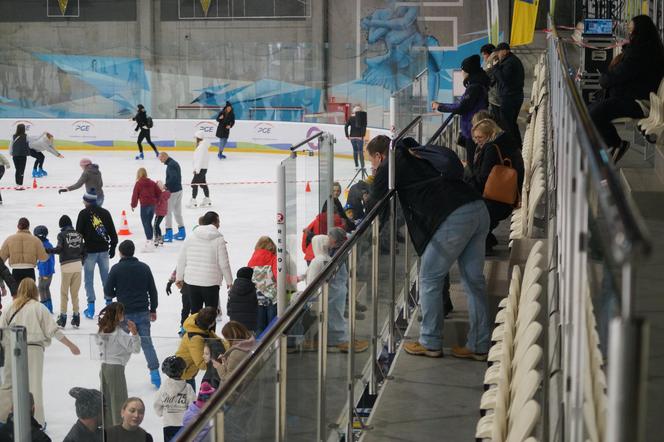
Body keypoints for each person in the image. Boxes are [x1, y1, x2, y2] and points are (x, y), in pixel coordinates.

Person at [367, 134, 491, 360]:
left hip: (454, 217)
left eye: (372, 162)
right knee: (474, 282)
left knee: (429, 278)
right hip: (477, 207)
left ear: (378, 155)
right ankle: (479, 344)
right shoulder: (416, 152)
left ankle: (430, 341)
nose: (373, 166)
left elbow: (374, 203)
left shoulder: (390, 165)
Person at [0, 279, 81, 426]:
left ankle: (4, 419)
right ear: (35, 290)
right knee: (34, 386)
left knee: (8, 384)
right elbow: (53, 330)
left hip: (12, 349)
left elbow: (1, 329)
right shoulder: (39, 307)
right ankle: (36, 421)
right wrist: (70, 345)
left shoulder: (9, 307)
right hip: (34, 349)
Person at [590, 15, 664, 162]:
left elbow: (617, 76)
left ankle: (616, 144)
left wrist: (603, 79)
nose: (629, 35)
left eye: (632, 31)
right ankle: (610, 149)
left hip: (638, 102)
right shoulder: (647, 49)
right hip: (630, 97)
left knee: (594, 113)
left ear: (640, 32)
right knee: (592, 111)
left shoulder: (640, 53)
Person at [104, 240, 161, 388]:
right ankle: (155, 374)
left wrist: (119, 292)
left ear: (120, 253)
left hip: (123, 314)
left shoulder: (116, 269)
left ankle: (116, 371)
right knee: (147, 344)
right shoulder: (144, 268)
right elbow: (152, 290)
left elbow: (108, 292)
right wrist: (153, 309)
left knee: (118, 344)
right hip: (142, 312)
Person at [469, 115, 525, 253]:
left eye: (479, 138)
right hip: (507, 198)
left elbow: (483, 178)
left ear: (490, 134)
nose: (477, 142)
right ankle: (487, 238)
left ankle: (484, 243)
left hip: (495, 201)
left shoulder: (491, 149)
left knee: (468, 210)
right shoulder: (505, 142)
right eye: (475, 138)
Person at [432, 54, 490, 162]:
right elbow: (462, 104)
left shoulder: (474, 87)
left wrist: (440, 107)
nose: (462, 72)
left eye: (463, 70)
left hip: (473, 130)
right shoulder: (477, 84)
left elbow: (462, 107)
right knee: (474, 160)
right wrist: (441, 105)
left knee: (473, 162)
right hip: (473, 129)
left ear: (469, 71)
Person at [176, 211, 233, 313]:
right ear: (213, 222)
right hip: (211, 282)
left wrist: (179, 278)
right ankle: (209, 329)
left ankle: (195, 329)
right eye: (218, 221)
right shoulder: (218, 238)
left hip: (192, 281)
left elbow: (182, 259)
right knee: (211, 314)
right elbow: (224, 263)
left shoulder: (191, 236)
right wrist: (229, 281)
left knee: (195, 314)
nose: (219, 224)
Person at [95, 302, 141, 426]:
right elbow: (136, 349)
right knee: (119, 402)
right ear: (118, 314)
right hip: (115, 369)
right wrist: (134, 333)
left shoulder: (101, 330)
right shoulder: (119, 333)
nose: (123, 315)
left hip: (104, 368)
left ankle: (109, 431)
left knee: (107, 402)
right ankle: (119, 432)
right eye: (122, 312)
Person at [75, 188, 117, 319]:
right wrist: (113, 247)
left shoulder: (83, 214)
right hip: (104, 250)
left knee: (89, 280)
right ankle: (109, 304)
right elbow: (113, 232)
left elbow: (78, 235)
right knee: (106, 278)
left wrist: (80, 252)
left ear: (87, 201)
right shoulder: (105, 213)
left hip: (90, 253)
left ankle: (91, 307)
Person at [327, 227, 369, 352]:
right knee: (337, 314)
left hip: (336, 289)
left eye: (329, 237)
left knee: (336, 314)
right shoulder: (341, 250)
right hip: (338, 289)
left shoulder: (337, 253)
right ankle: (341, 337)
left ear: (334, 239)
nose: (327, 239)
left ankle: (339, 339)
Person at [48, 215, 85, 329]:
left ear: (61, 225)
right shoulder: (79, 235)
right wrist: (80, 262)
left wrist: (48, 250)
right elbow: (84, 252)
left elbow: (59, 249)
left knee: (64, 293)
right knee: (75, 293)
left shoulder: (62, 235)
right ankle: (76, 317)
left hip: (66, 266)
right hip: (78, 266)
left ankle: (63, 318)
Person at [175, 307, 222, 389]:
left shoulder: (198, 327)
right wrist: (218, 362)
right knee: (190, 400)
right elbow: (201, 364)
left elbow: (217, 340)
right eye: (214, 320)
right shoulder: (196, 338)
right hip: (184, 375)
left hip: (187, 373)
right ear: (210, 323)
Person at [489, 42, 525, 145]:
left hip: (510, 97)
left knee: (507, 125)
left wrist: (495, 67)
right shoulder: (509, 61)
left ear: (505, 51)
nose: (497, 55)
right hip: (512, 96)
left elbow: (503, 80)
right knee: (511, 124)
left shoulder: (509, 63)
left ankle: (513, 147)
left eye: (498, 52)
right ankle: (517, 145)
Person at [153, 356, 196, 442]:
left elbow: (156, 404)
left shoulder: (163, 388)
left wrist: (163, 413)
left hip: (168, 424)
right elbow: (193, 406)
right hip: (184, 424)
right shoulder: (188, 388)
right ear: (183, 371)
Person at [0, 217, 48, 286]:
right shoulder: (35, 240)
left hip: (16, 271)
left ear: (18, 226)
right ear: (28, 227)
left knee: (17, 294)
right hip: (29, 270)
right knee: (30, 295)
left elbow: (1, 258)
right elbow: (43, 258)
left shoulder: (9, 239)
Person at [247, 236, 277, 334]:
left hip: (257, 298)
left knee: (259, 327)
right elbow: (277, 276)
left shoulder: (252, 259)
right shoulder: (273, 258)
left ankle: (259, 347)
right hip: (272, 298)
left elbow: (248, 278)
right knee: (272, 327)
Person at [130, 167, 162, 251]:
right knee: (148, 222)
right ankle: (151, 240)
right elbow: (159, 193)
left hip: (145, 206)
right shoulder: (152, 182)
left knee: (146, 223)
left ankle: (149, 241)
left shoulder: (138, 183)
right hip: (152, 205)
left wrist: (133, 205)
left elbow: (135, 195)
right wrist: (156, 201)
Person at [158, 152, 185, 242]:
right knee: (177, 212)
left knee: (168, 212)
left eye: (161, 159)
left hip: (173, 192)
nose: (160, 161)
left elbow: (173, 178)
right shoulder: (174, 163)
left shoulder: (170, 165)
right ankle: (182, 232)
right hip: (179, 190)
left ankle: (168, 234)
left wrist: (165, 185)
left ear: (165, 157)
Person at [227, 267, 258, 332]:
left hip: (235, 326)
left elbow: (228, 309)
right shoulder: (255, 290)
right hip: (251, 326)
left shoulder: (232, 291)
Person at [33, 225, 55, 313]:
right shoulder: (49, 244)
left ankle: (44, 308)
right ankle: (49, 307)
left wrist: (44, 274)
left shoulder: (43, 246)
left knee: (41, 289)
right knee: (46, 288)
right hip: (49, 272)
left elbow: (45, 261)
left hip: (45, 272)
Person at [480, 43, 502, 124]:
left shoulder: (492, 60)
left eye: (483, 55)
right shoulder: (495, 59)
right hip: (496, 97)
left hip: (496, 97)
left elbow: (487, 74)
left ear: (487, 53)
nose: (483, 57)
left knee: (496, 121)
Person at [190, 130, 212, 208]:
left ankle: (193, 200)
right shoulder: (202, 146)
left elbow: (200, 159)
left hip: (200, 169)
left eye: (196, 138)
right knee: (203, 183)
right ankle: (207, 198)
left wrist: (197, 170)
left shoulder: (201, 147)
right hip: (203, 168)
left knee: (194, 183)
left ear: (198, 138)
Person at [345, 105, 368, 170]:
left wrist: (347, 135)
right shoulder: (362, 118)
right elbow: (364, 128)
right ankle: (362, 166)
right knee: (360, 151)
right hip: (359, 137)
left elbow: (346, 126)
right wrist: (362, 135)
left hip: (352, 137)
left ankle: (356, 166)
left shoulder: (351, 118)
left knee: (355, 151)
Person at [153, 181, 170, 246]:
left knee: (155, 226)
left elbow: (157, 203)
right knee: (157, 225)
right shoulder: (166, 193)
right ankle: (160, 238)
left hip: (159, 212)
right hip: (163, 211)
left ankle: (156, 239)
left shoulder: (160, 195)